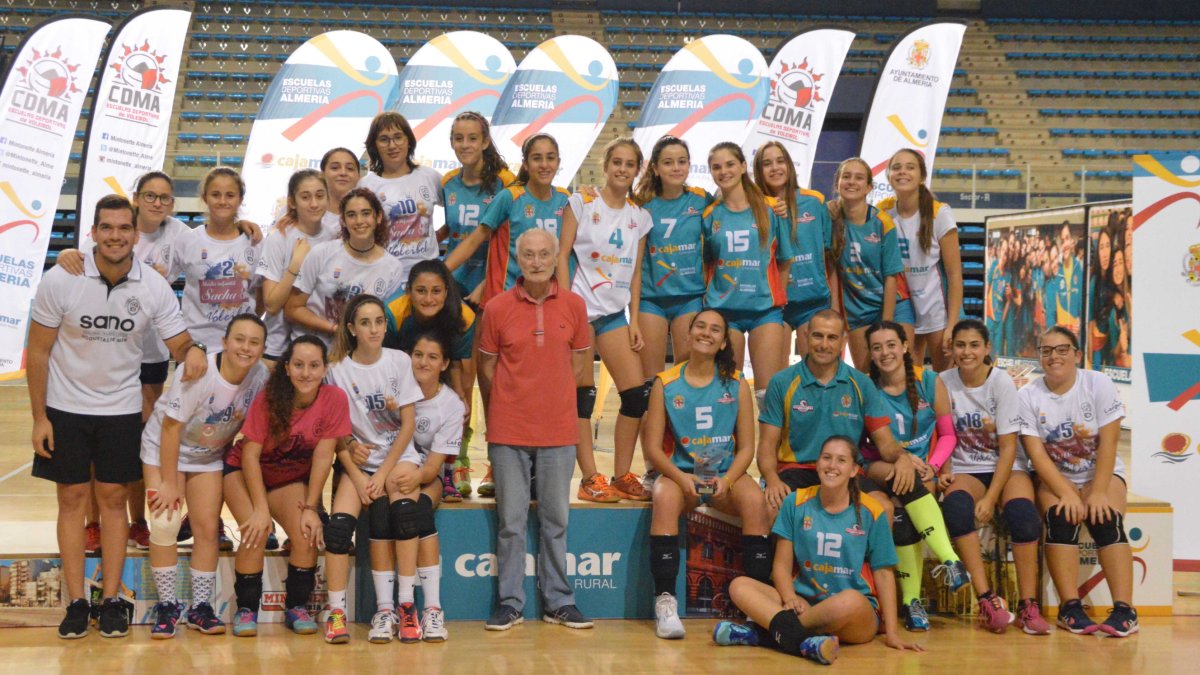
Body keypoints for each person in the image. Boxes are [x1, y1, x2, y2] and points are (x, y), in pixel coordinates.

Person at [27, 194, 207, 639]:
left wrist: (195, 354)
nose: (115, 235)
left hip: (122, 411)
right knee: (71, 501)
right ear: (93, 232)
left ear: (134, 233)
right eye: (106, 227)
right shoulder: (61, 278)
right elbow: (38, 351)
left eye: (123, 228)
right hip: (65, 409)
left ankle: (110, 600)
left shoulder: (153, 285)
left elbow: (179, 342)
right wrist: (39, 418)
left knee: (112, 501)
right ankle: (75, 601)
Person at [57, 171, 189, 550]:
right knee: (101, 437)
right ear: (136, 198)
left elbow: (214, 247)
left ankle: (138, 522)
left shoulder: (179, 233)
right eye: (150, 196)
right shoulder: (114, 229)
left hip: (150, 353)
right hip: (107, 350)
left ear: (172, 204)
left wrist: (249, 229)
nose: (158, 203)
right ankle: (94, 522)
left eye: (165, 197)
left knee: (140, 439)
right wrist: (67, 254)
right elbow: (80, 259)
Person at [713, 436, 923, 665]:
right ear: (817, 464)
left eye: (841, 460)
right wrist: (790, 597)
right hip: (802, 602)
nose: (832, 466)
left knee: (848, 601)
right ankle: (803, 642)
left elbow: (884, 573)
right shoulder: (795, 502)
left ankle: (765, 634)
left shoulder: (872, 510)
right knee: (740, 585)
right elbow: (782, 566)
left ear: (854, 470)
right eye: (827, 458)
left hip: (853, 614)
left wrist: (891, 633)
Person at [478, 228, 593, 632]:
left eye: (545, 253)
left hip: (559, 432)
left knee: (555, 521)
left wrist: (550, 398)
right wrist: (513, 404)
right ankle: (510, 603)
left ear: (555, 255)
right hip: (509, 430)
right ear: (518, 259)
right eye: (529, 254)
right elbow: (488, 370)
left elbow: (580, 366)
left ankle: (559, 602)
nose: (538, 261)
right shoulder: (495, 308)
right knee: (510, 523)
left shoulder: (576, 306)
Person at [641, 309, 770, 639]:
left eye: (716, 330)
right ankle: (666, 602)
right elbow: (653, 448)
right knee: (664, 495)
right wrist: (681, 478)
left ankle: (758, 603)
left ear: (724, 341)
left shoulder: (736, 383)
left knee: (756, 501)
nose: (706, 333)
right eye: (700, 326)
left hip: (725, 474)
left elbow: (746, 449)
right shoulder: (665, 383)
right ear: (687, 334)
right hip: (681, 473)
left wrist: (728, 480)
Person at [142, 314, 270, 638]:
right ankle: (168, 606)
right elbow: (170, 428)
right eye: (239, 339)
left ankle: (200, 607)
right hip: (163, 449)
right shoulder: (199, 372)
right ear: (225, 342)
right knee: (165, 523)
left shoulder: (259, 377)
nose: (246, 348)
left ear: (263, 348)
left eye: (254, 342)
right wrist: (171, 482)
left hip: (208, 457)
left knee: (206, 529)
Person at [223, 335, 351, 637]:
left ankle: (296, 606)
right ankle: (246, 609)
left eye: (314, 365)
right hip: (243, 471)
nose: (306, 373)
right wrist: (260, 509)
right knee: (255, 532)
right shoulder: (270, 399)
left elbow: (323, 455)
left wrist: (311, 507)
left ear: (324, 369)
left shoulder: (334, 399)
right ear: (287, 368)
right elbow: (251, 456)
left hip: (287, 478)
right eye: (298, 365)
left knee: (307, 533)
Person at [1018, 327, 1138, 637]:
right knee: (1061, 518)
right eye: (1046, 351)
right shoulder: (1028, 396)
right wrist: (1065, 492)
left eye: (1061, 349)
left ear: (1076, 354)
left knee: (1105, 518)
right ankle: (1070, 607)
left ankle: (1125, 610)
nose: (1053, 356)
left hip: (1102, 472)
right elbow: (1036, 455)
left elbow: (1109, 444)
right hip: (1056, 476)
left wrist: (1097, 491)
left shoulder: (1097, 383)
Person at [558, 137, 654, 503]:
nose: (622, 169)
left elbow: (636, 272)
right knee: (583, 396)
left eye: (630, 164)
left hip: (614, 314)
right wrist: (566, 307)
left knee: (635, 395)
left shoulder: (639, 217)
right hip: (580, 312)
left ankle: (622, 473)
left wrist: (632, 320)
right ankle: (590, 477)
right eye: (617, 161)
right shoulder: (581, 202)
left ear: (637, 170)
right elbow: (562, 255)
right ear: (605, 164)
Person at [323, 294, 421, 645]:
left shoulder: (399, 361)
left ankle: (404, 607)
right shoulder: (336, 370)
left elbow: (408, 425)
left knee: (405, 516)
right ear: (351, 328)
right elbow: (336, 433)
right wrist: (355, 463)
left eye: (379, 321)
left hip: (398, 456)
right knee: (336, 531)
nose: (374, 329)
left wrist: (381, 475)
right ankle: (335, 612)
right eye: (365, 322)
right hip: (357, 464)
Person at [937, 319, 1046, 634]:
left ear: (987, 349)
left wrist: (990, 497)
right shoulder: (942, 381)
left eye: (974, 345)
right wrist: (944, 470)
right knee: (956, 511)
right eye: (960, 345)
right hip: (966, 468)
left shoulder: (1000, 383)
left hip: (1006, 465)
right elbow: (940, 432)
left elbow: (1009, 447)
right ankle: (987, 599)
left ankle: (1028, 604)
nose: (967, 352)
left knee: (1023, 516)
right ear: (952, 348)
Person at [863, 321, 970, 631]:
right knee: (902, 479)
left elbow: (948, 435)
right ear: (870, 353)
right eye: (877, 347)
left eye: (891, 344)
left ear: (905, 346)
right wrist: (907, 461)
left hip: (923, 470)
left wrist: (933, 466)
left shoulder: (929, 381)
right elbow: (867, 447)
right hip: (876, 466)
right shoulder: (868, 388)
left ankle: (912, 602)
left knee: (903, 511)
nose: (885, 352)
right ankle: (950, 561)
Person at [437, 111, 515, 498]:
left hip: (493, 291)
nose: (465, 145)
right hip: (453, 292)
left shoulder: (505, 183)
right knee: (458, 380)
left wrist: (489, 283)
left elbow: (510, 236)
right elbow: (452, 232)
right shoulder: (448, 184)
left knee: (492, 381)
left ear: (485, 141)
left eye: (472, 138)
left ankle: (499, 467)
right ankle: (460, 462)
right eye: (457, 138)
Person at [383, 332, 465, 643]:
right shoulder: (394, 389)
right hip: (390, 469)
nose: (423, 362)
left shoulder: (451, 405)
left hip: (428, 475)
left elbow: (432, 468)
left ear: (444, 363)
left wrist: (414, 478)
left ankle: (432, 609)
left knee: (415, 512)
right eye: (418, 354)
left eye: (432, 357)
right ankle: (391, 608)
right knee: (389, 513)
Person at [702, 142, 792, 407]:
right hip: (725, 312)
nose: (724, 171)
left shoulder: (771, 209)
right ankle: (731, 449)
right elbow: (707, 264)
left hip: (765, 311)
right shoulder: (710, 215)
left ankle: (768, 450)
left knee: (768, 396)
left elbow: (784, 260)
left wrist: (778, 298)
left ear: (743, 167)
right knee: (727, 394)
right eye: (716, 167)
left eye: (730, 164)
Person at [383, 260, 477, 501]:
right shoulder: (393, 313)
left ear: (446, 291)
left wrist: (461, 397)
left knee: (458, 406)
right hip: (401, 365)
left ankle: (451, 469)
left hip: (438, 364)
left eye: (436, 291)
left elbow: (456, 363)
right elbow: (387, 362)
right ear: (409, 291)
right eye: (421, 291)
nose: (428, 298)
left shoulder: (463, 317)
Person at [444, 133, 571, 307]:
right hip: (506, 296)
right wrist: (438, 273)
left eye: (550, 158)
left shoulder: (565, 200)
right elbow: (474, 240)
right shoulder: (509, 197)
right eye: (536, 158)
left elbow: (566, 254)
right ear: (525, 164)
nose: (544, 165)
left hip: (545, 298)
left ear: (558, 163)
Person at [285, 188, 405, 347]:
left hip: (356, 355)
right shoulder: (322, 253)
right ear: (343, 221)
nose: (359, 221)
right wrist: (336, 329)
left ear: (378, 217)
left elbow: (383, 323)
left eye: (366, 213)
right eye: (351, 215)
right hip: (312, 350)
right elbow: (293, 309)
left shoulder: (393, 267)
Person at [879, 149, 963, 371]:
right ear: (888, 176)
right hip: (904, 307)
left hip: (937, 309)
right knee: (906, 377)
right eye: (896, 167)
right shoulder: (883, 212)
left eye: (910, 167)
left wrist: (952, 325)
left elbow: (955, 275)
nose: (902, 172)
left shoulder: (939, 213)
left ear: (922, 175)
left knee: (945, 379)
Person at [827, 157, 914, 371]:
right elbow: (831, 269)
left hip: (892, 303)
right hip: (857, 309)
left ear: (868, 187)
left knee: (902, 371)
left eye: (858, 178)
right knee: (867, 373)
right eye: (846, 176)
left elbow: (891, 276)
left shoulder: (882, 222)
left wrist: (885, 325)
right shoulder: (829, 217)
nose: (851, 182)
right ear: (838, 182)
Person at [633, 135, 709, 378]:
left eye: (682, 161)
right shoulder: (640, 203)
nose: (676, 168)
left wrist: (772, 204)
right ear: (655, 168)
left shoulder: (702, 199)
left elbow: (738, 206)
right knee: (651, 378)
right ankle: (652, 417)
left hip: (690, 297)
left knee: (685, 375)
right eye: (668, 162)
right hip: (651, 299)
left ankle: (677, 417)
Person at [164, 167, 260, 352]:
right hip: (197, 346)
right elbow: (162, 284)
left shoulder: (254, 243)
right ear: (204, 197)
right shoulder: (187, 240)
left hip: (242, 348)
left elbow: (261, 295)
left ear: (240, 199)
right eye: (216, 194)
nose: (222, 201)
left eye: (230, 195)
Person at [752, 141, 833, 359]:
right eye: (767, 164)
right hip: (775, 306)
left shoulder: (814, 201)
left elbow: (828, 256)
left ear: (789, 165)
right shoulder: (755, 207)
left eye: (780, 161)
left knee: (817, 373)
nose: (775, 168)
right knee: (778, 378)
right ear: (758, 171)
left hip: (813, 302)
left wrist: (833, 305)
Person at [259, 169, 338, 362]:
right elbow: (271, 305)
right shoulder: (279, 238)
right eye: (305, 197)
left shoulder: (334, 238)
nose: (314, 203)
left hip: (320, 345)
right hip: (277, 347)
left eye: (320, 196)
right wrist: (295, 264)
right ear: (292, 202)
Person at [357, 112, 443, 283]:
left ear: (409, 141)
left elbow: (456, 211)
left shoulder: (429, 176)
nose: (392, 145)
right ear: (374, 146)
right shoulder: (366, 186)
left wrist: (436, 237)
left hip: (428, 279)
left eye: (398, 137)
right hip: (386, 278)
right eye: (384, 139)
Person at [1053, 221, 1084, 335]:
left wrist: (1080, 321)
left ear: (1072, 242)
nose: (1065, 244)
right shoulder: (1058, 271)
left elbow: (1084, 304)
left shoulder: (1079, 268)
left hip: (1076, 335)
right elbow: (1053, 308)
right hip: (1061, 336)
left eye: (1067, 238)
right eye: (1062, 241)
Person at [321, 146, 362, 232]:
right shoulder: (305, 214)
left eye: (350, 168)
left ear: (359, 177)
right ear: (322, 174)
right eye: (335, 168)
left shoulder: (368, 219)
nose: (343, 173)